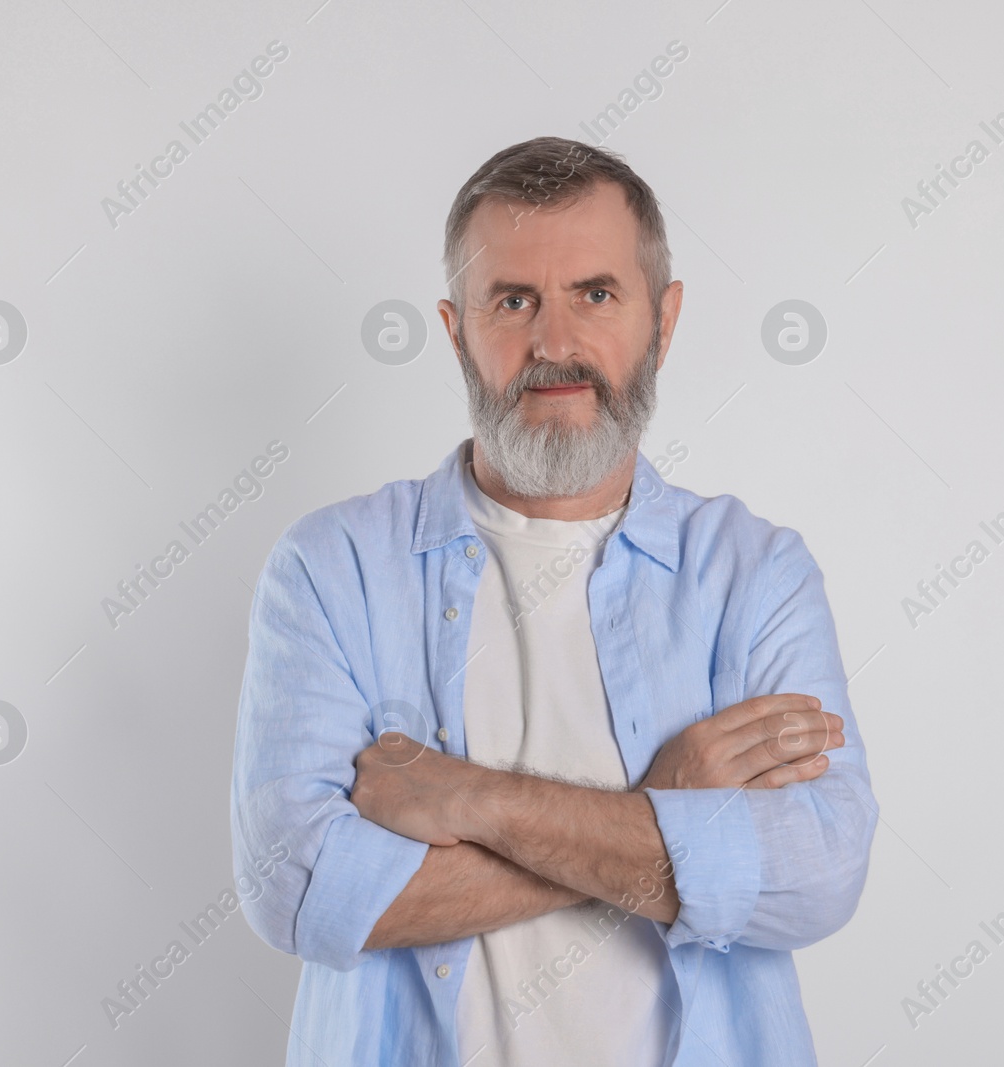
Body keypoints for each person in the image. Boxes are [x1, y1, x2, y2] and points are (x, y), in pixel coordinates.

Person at [230, 135, 878, 1066]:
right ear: (458, 331)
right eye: (514, 300)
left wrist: (467, 798)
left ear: (664, 318)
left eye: (596, 294)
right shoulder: (333, 569)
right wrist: (667, 808)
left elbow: (816, 873)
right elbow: (296, 888)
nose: (555, 343)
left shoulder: (754, 573)